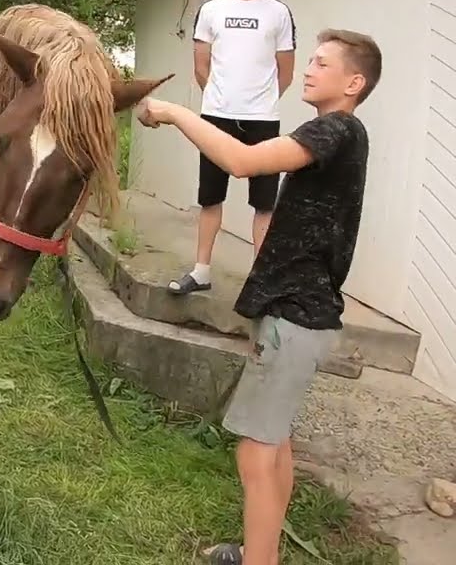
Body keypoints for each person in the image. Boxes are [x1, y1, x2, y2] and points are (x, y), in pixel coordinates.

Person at [135, 28, 379, 565]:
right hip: (300, 316)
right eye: (310, 60)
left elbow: (242, 162)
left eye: (322, 63)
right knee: (275, 443)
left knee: (255, 453)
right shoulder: (339, 136)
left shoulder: (337, 129)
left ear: (354, 83)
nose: (307, 69)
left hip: (295, 318)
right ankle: (260, 551)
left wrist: (174, 113)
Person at [172, 0, 296, 296]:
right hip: (216, 116)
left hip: (263, 119)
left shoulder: (278, 12)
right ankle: (201, 271)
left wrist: (260, 102)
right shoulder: (211, 11)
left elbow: (286, 71)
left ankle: (261, 280)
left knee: (264, 202)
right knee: (210, 197)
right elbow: (201, 66)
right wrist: (221, 98)